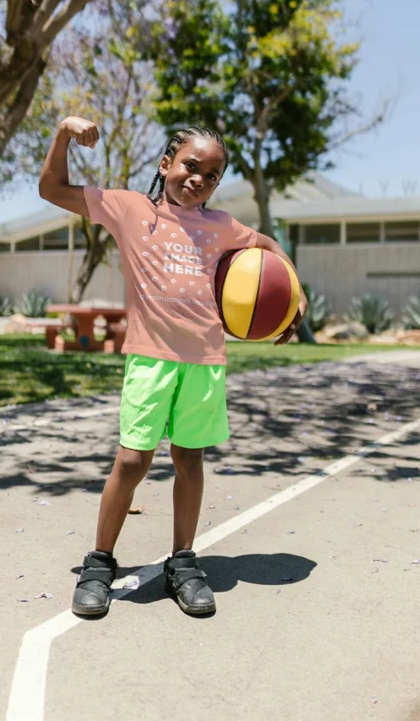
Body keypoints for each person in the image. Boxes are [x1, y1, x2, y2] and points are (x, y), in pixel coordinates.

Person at [38, 115, 307, 618]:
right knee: (133, 461)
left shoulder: (223, 227)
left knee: (189, 459)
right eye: (190, 165)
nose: (199, 179)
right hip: (150, 359)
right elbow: (51, 188)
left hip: (204, 362)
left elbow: (270, 249)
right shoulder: (129, 209)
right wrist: (63, 134)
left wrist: (295, 296)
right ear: (166, 164)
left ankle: (182, 562)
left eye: (212, 174)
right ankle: (100, 563)